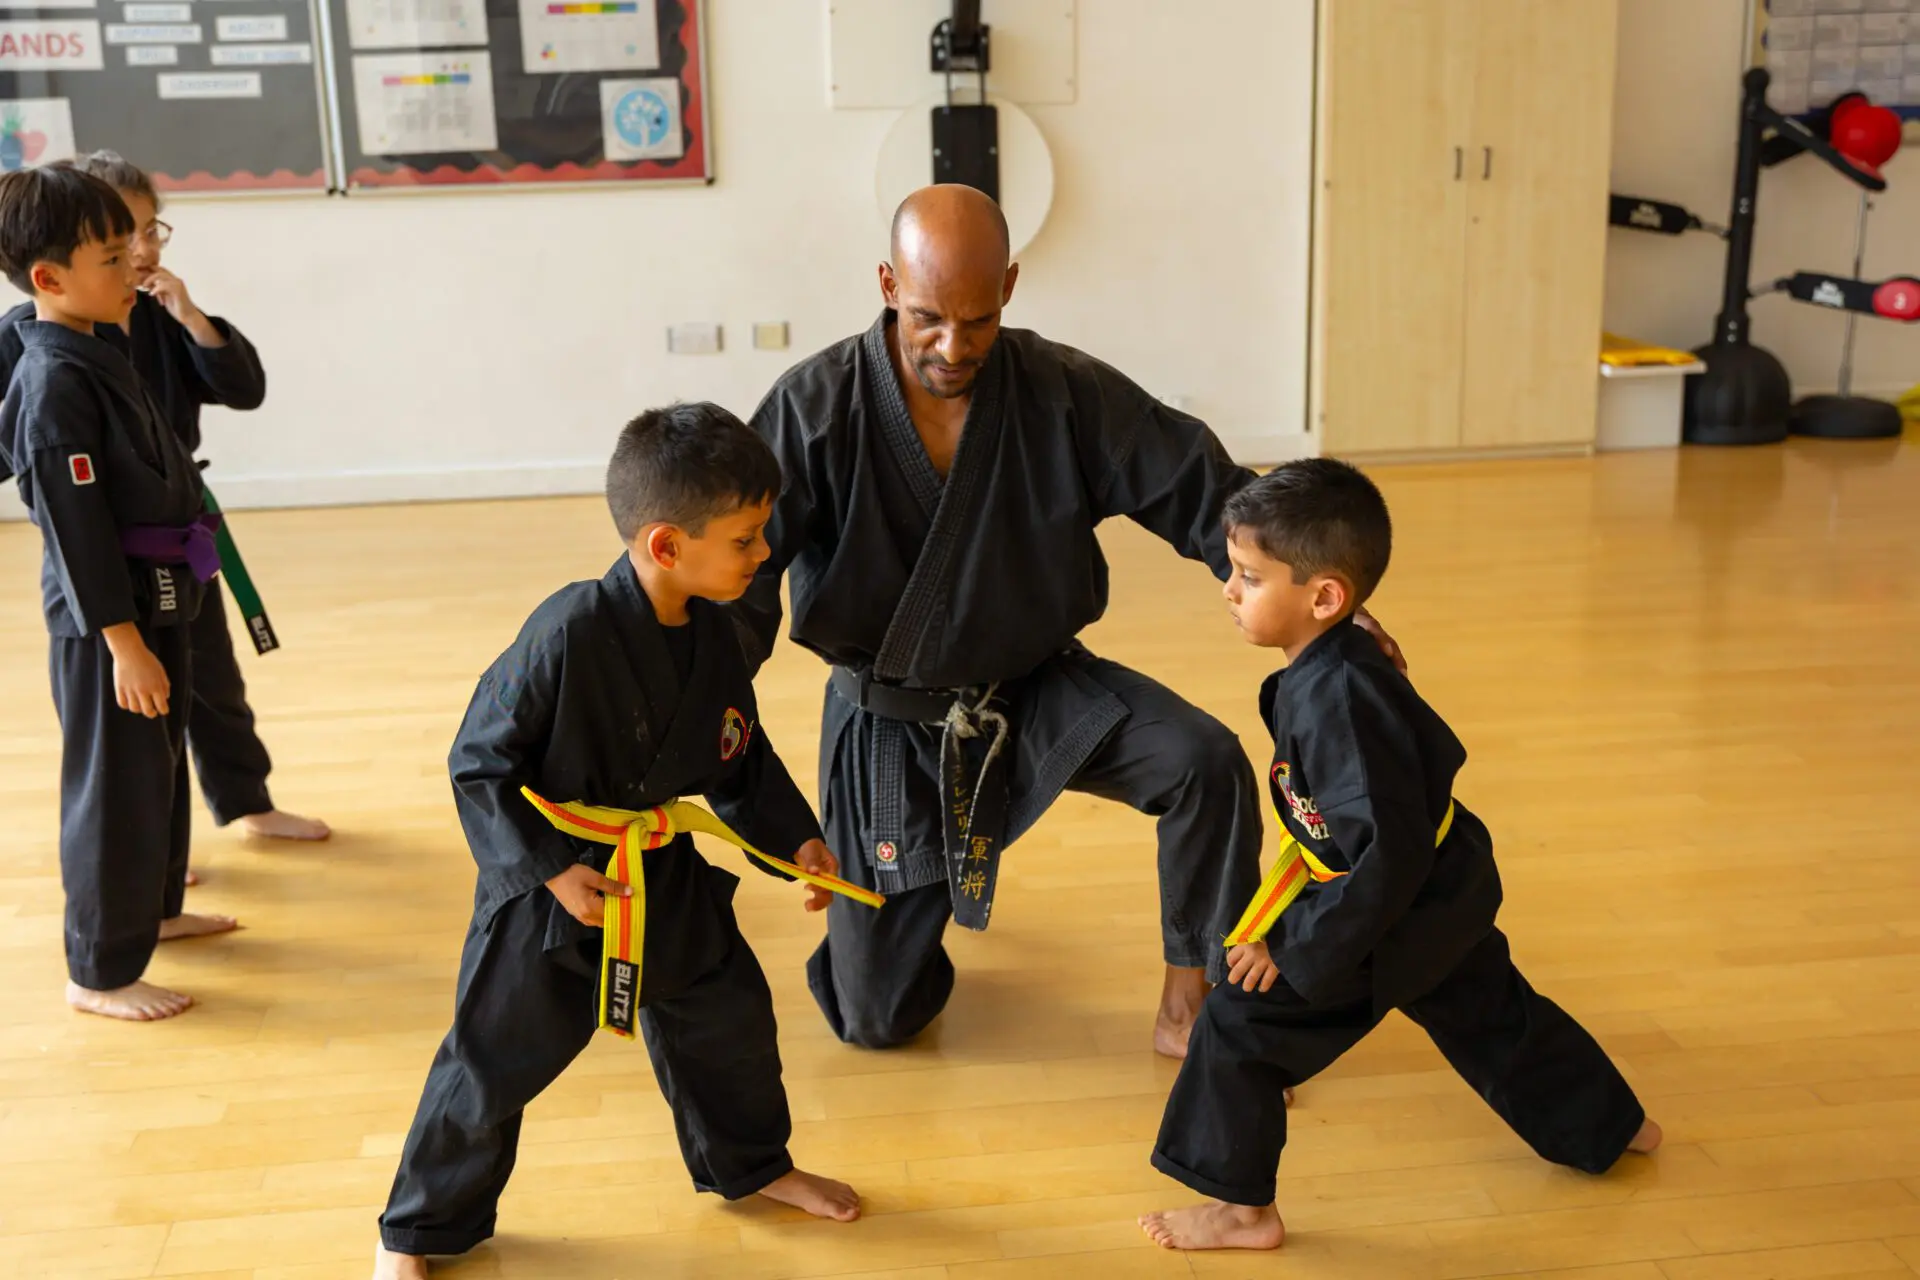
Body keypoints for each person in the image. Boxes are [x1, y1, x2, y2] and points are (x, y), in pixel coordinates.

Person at [729, 183, 1403, 1057]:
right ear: (889, 284)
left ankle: (1192, 1000)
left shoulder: (1062, 391)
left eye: (977, 321)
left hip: (1036, 688)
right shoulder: (814, 409)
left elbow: (1202, 488)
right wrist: (689, 689)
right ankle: (904, 912)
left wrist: (1331, 606)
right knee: (875, 1019)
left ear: (1009, 287)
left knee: (1203, 762)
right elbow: (735, 575)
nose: (952, 347)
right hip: (890, 722)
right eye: (928, 318)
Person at [374, 404, 864, 1279]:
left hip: (657, 870)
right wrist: (552, 871)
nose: (764, 555)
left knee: (729, 1020)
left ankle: (753, 1166)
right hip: (551, 883)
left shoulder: (716, 636)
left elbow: (738, 756)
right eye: (746, 540)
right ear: (667, 545)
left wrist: (798, 839)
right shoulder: (568, 629)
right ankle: (413, 1232)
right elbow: (478, 764)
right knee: (491, 1061)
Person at [1139, 459, 1661, 1252]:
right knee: (1490, 1013)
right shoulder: (1338, 659)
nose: (1229, 590)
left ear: (1325, 598)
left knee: (1238, 1025)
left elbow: (1385, 858)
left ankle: (1243, 1213)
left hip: (1388, 904)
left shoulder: (1344, 701)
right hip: (1439, 891)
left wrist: (1293, 945)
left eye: (1249, 576)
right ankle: (1614, 1127)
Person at [0, 150, 329, 869]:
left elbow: (243, 388)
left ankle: (241, 803)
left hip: (182, 536)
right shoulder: (39, 338)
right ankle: (149, 867)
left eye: (151, 232)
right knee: (129, 709)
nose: (142, 253)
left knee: (211, 678)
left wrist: (190, 314)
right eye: (122, 240)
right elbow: (30, 446)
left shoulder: (150, 309)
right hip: (111, 552)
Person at [0, 162, 239, 1021]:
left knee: (159, 769)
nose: (133, 264)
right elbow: (76, 529)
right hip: (109, 620)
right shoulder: (51, 381)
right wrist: (121, 643)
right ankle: (98, 971)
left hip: (159, 592)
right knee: (115, 790)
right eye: (110, 257)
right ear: (49, 279)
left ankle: (158, 912)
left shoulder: (100, 345)